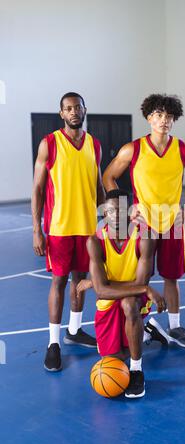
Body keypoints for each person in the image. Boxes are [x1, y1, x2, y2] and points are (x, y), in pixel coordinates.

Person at [102, 94, 185, 348]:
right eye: (159, 115)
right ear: (149, 118)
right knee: (142, 277)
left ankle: (174, 326)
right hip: (143, 225)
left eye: (169, 116)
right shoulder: (133, 149)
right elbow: (108, 177)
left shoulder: (183, 149)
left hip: (173, 223)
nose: (164, 121)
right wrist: (127, 208)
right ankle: (141, 322)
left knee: (172, 277)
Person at [31, 92, 105, 372]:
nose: (74, 112)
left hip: (88, 228)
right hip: (60, 227)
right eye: (68, 108)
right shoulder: (49, 143)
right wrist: (37, 230)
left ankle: (74, 330)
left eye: (78, 107)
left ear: (85, 110)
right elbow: (37, 189)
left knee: (81, 279)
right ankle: (53, 343)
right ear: (61, 113)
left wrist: (115, 218)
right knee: (59, 282)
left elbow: (98, 187)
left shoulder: (94, 145)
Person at [77, 189, 167, 398]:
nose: (115, 216)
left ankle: (136, 370)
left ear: (130, 211)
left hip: (135, 299)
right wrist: (144, 288)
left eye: (120, 210)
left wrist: (106, 284)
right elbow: (101, 290)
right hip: (112, 297)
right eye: (109, 211)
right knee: (114, 358)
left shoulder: (144, 237)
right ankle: (146, 333)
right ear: (104, 214)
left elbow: (139, 281)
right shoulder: (95, 241)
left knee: (128, 304)